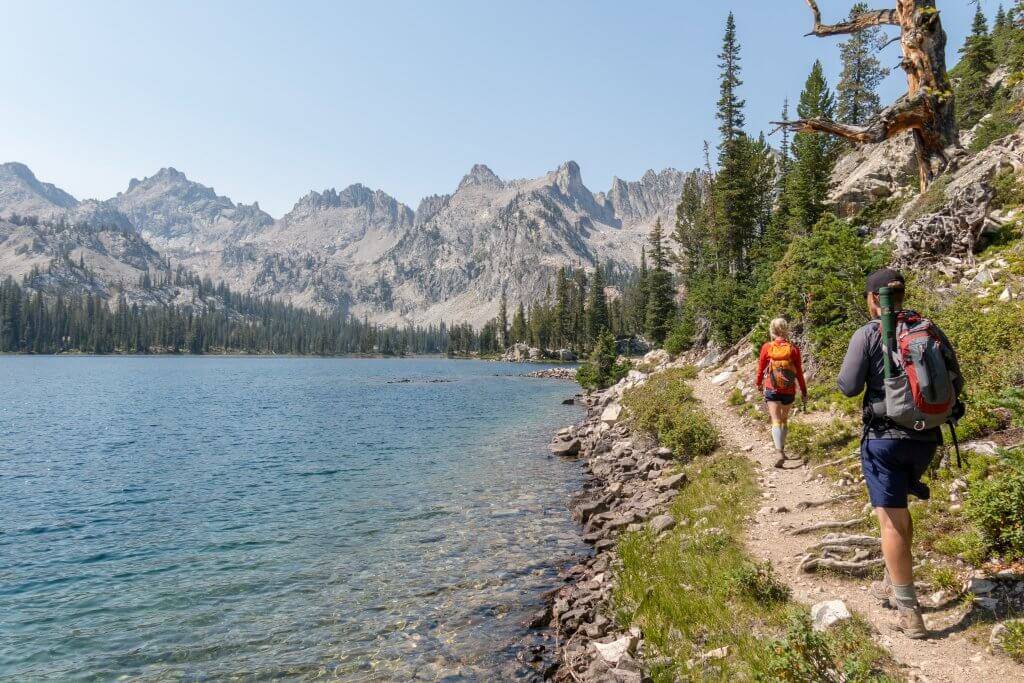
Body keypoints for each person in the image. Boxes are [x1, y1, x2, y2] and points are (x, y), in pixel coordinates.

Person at [837, 268, 963, 639]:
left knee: (890, 521)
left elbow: (848, 386)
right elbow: (955, 380)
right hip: (927, 438)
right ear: (901, 296)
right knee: (900, 513)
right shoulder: (927, 330)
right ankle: (897, 580)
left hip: (883, 440)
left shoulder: (869, 334)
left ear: (874, 298)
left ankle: (910, 610)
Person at [755, 318, 808, 468]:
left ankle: (779, 453)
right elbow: (798, 373)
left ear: (772, 330)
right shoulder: (793, 349)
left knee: (775, 420)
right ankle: (782, 450)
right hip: (789, 390)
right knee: (784, 420)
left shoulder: (767, 347)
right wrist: (804, 391)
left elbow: (761, 369)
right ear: (786, 329)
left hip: (772, 388)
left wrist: (758, 383)